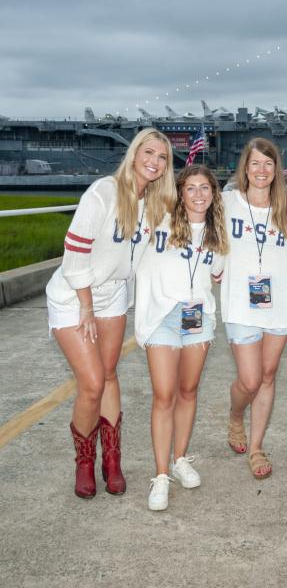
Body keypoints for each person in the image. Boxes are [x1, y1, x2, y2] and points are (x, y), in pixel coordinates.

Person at [46, 128, 175, 499]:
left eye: (162, 157)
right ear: (134, 154)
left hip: (114, 295)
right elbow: (75, 250)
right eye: (148, 152)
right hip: (75, 295)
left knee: (109, 375)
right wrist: (85, 305)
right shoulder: (104, 192)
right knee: (91, 383)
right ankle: (84, 461)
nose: (154, 161)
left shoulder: (154, 202)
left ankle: (112, 460)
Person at [135, 165, 228, 511]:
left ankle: (180, 459)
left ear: (213, 194)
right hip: (161, 317)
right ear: (180, 192)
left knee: (188, 391)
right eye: (191, 188)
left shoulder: (217, 233)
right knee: (164, 395)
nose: (199, 194)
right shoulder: (159, 220)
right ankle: (160, 475)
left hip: (197, 318)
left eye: (205, 188)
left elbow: (215, 274)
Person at [221, 138, 287, 479]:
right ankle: (234, 415)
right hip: (239, 304)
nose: (261, 170)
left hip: (281, 302)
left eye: (268, 164)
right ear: (245, 167)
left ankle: (256, 447)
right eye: (255, 163)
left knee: (268, 376)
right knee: (250, 379)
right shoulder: (226, 202)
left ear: (277, 170)